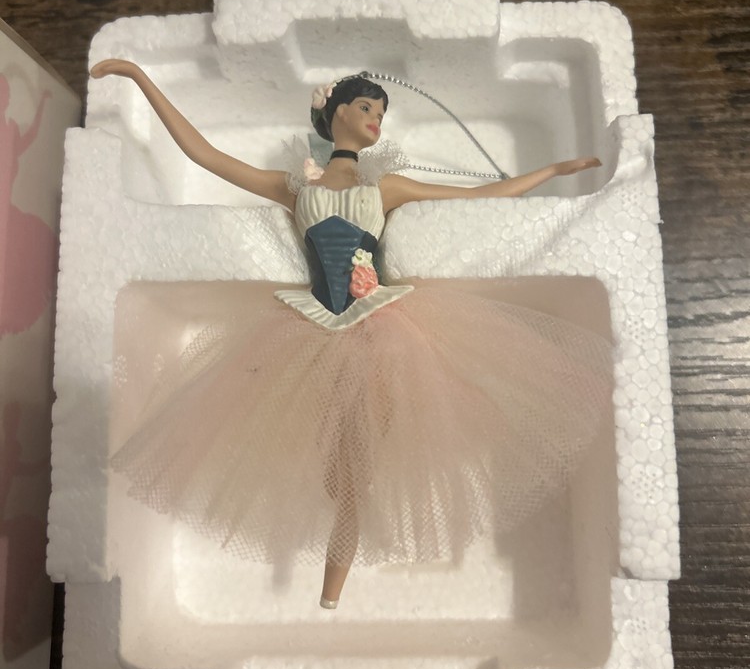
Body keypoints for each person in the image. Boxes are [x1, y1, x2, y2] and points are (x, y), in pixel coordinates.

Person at [92, 60, 612, 609]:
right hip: (312, 329)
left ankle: (336, 567)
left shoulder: (385, 186)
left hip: (383, 328)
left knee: (358, 462)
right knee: (334, 460)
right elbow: (205, 155)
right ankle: (337, 555)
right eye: (366, 107)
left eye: (381, 113)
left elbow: (483, 195)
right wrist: (138, 76)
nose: (375, 120)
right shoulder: (295, 186)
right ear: (336, 111)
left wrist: (553, 171)